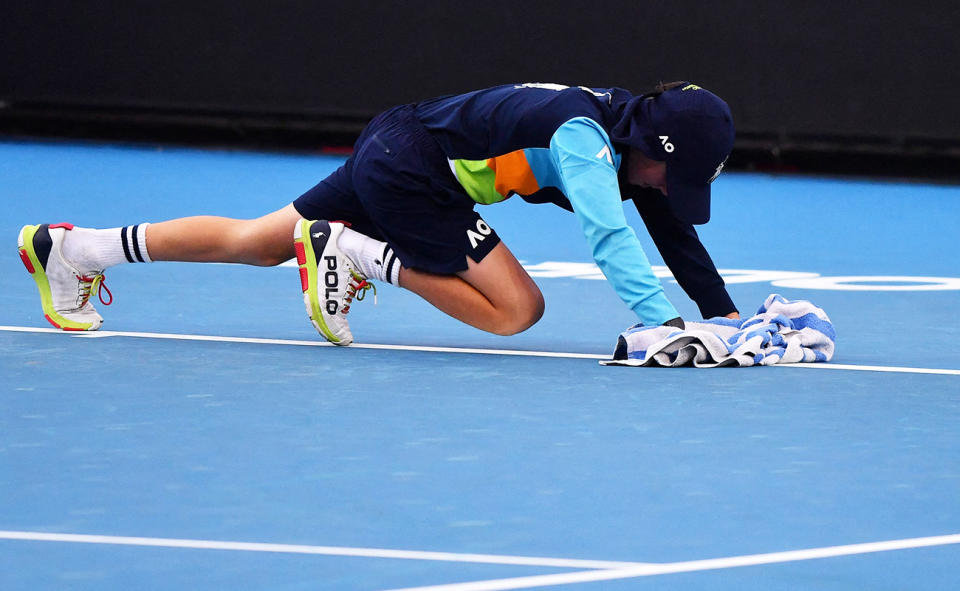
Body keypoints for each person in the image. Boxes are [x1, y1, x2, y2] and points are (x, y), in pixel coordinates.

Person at [17, 81, 740, 346]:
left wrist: (725, 316)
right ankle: (359, 252)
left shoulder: (623, 133)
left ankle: (75, 251)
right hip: (413, 168)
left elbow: (667, 223)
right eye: (668, 176)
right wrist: (666, 324)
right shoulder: (582, 139)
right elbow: (608, 232)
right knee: (518, 309)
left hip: (399, 141)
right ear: (652, 146)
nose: (662, 191)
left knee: (262, 241)